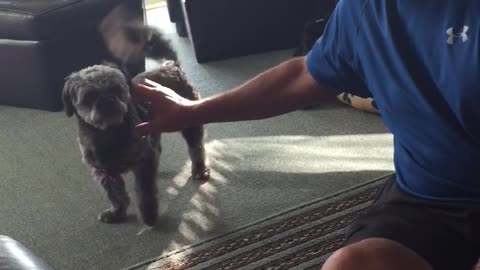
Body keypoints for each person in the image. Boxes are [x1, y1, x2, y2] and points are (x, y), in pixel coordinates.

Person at [132, 1, 480, 269]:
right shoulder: (364, 10)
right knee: (352, 264)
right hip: (425, 196)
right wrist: (192, 110)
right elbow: (303, 77)